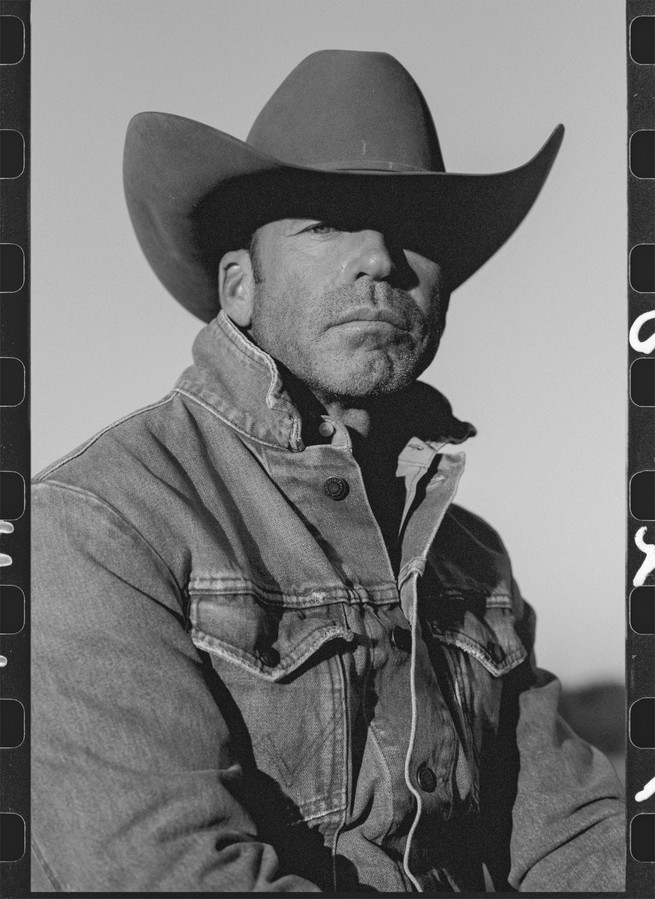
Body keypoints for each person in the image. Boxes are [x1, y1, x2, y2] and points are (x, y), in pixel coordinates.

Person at [31, 50, 625, 893]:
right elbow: (170, 869)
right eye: (327, 222)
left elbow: (571, 835)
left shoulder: (468, 558)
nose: (380, 259)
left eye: (411, 230)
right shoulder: (101, 519)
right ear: (238, 284)